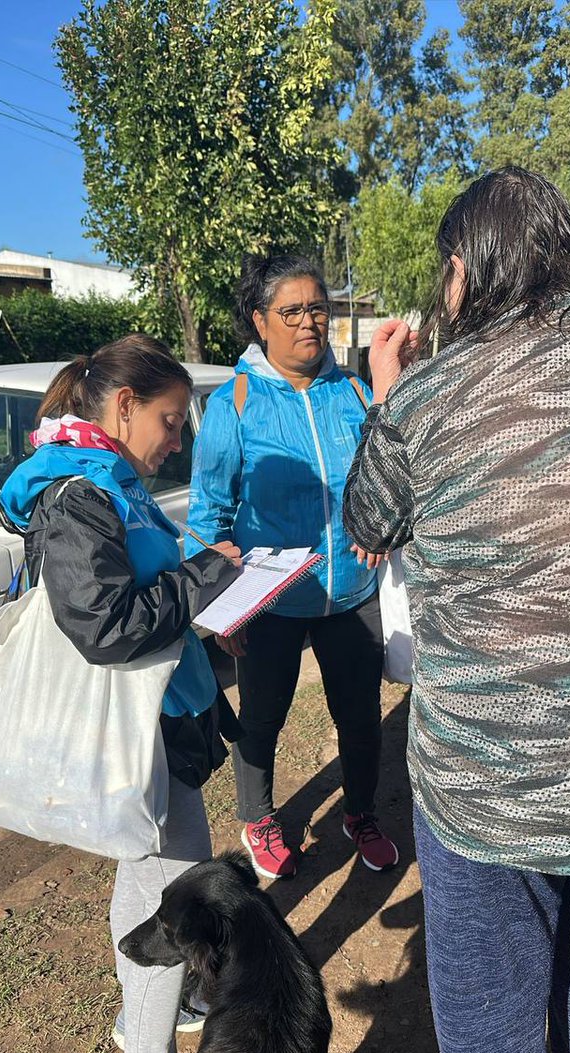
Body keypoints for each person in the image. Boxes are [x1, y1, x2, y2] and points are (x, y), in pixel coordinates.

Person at [343, 167, 570, 1053]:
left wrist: (390, 400)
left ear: (461, 269)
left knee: (488, 1020)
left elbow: (366, 527)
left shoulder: (425, 398)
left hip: (484, 784)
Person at [0, 334, 242, 1053]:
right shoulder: (79, 494)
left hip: (157, 725)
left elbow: (141, 598)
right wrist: (207, 580)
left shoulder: (111, 482)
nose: (177, 441)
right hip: (134, 734)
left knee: (151, 884)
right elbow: (103, 625)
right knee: (173, 897)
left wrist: (207, 613)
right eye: (170, 422)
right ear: (125, 407)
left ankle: (150, 1024)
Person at [186, 252, 399, 879]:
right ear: (260, 320)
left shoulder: (355, 391)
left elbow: (383, 478)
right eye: (292, 311)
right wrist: (223, 607)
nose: (310, 322)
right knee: (263, 716)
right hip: (270, 599)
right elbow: (208, 514)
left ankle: (359, 812)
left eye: (318, 309)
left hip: (351, 591)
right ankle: (257, 817)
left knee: (360, 716)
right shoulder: (236, 403)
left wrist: (381, 525)